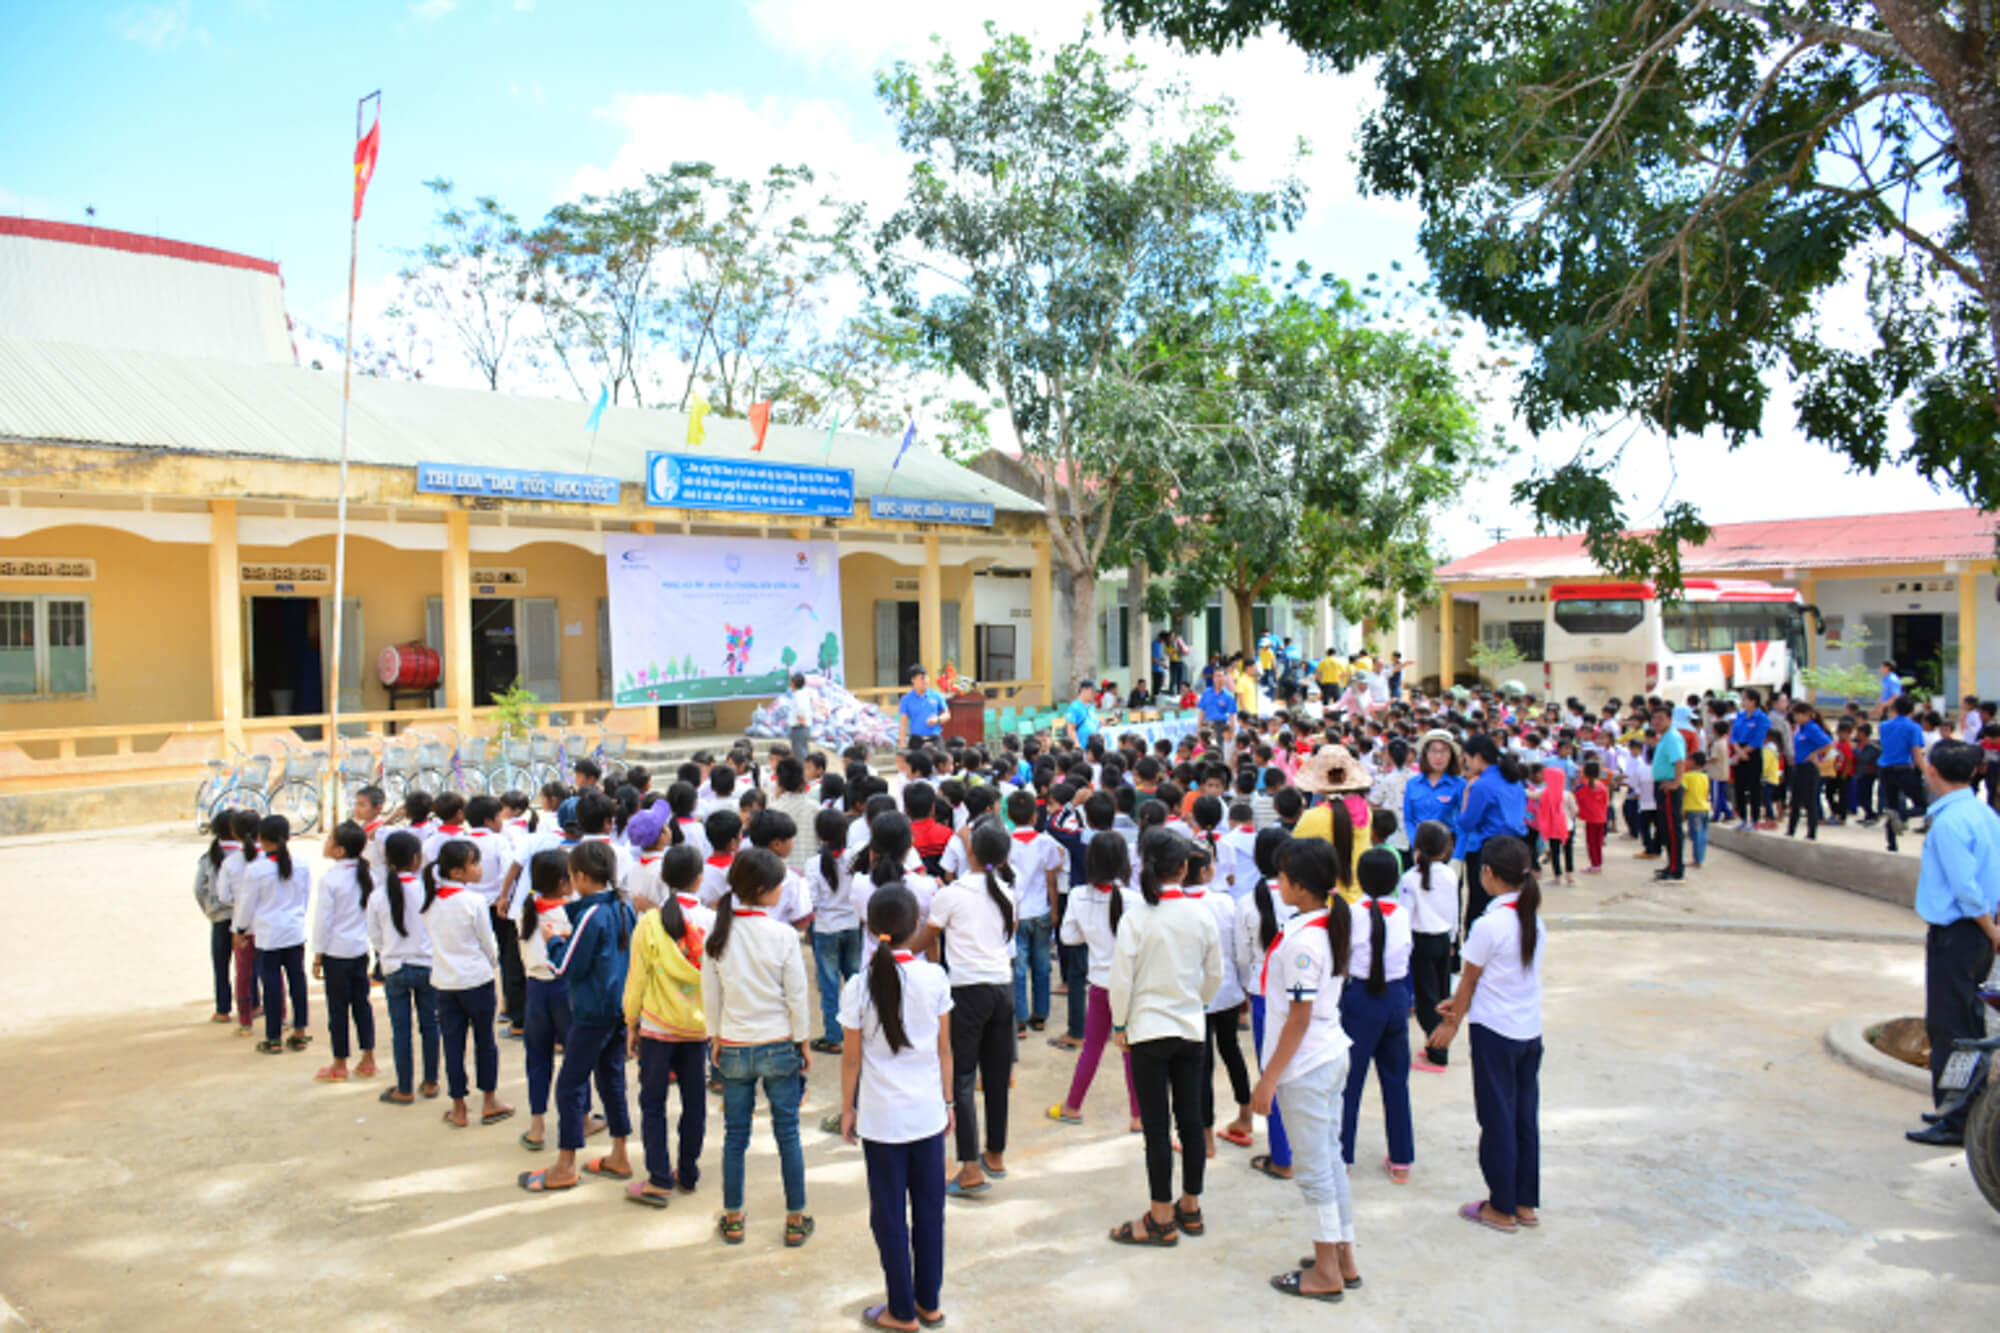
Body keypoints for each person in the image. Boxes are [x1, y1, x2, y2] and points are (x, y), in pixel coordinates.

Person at [842, 884, 953, 1332]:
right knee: (930, 1209)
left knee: (888, 1214)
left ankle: (900, 1310)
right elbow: (945, 1049)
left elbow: (851, 1058)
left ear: (870, 928)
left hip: (882, 1119)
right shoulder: (934, 977)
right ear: (915, 928)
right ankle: (929, 1303)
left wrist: (846, 1108)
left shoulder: (858, 986)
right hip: (927, 1114)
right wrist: (948, 1103)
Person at [1251, 838, 1358, 1300]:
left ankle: (1328, 1272)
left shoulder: (1304, 941)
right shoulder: (1321, 923)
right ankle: (1342, 1257)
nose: (1277, 884)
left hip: (1306, 1067)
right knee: (1330, 1161)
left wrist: (1269, 1077)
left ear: (1299, 885)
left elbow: (1298, 1018)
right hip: (1328, 1055)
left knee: (1315, 1169)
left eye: (1283, 876)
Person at [1107, 830, 1223, 1248]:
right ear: (1184, 867)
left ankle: (1160, 1215)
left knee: (1157, 1128)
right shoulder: (1200, 915)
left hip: (1148, 1031)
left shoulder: (1136, 917)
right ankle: (1190, 1206)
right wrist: (1197, 1004)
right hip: (1190, 1027)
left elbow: (1121, 980)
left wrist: (1120, 1026)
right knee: (1191, 1122)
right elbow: (1215, 974)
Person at [1430, 835, 1545, 1234]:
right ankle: (1524, 1201)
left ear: (1489, 874)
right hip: (1528, 1031)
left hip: (1496, 1032)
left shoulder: (1489, 924)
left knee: (1497, 1118)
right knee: (1523, 1117)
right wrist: (1457, 1005)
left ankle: (1501, 1206)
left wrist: (1450, 1022)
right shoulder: (1533, 920)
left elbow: (1471, 980)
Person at [704, 848, 814, 1246]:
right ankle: (795, 1218)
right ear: (764, 890)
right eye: (780, 884)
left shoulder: (718, 934)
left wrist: (715, 1038)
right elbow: (796, 996)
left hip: (733, 1045)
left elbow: (710, 996)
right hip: (778, 1044)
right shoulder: (783, 935)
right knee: (788, 1134)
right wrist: (803, 1042)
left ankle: (734, 1217)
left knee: (735, 1136)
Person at [520, 840, 636, 1192]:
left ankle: (566, 1164)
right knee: (611, 1079)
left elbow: (565, 967)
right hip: (618, 1006)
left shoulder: (591, 914)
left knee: (569, 1085)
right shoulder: (622, 906)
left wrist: (554, 941)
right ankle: (619, 1153)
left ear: (582, 877)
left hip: (592, 1011)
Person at [1902, 740, 2000, 1147]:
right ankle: (1958, 1106)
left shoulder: (1950, 822)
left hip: (1961, 932)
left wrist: (1993, 934)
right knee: (1967, 1023)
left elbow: (1966, 889)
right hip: (1976, 931)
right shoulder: (1984, 814)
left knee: (1950, 1028)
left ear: (1932, 771)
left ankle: (1956, 1118)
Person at [918, 820, 1018, 1197]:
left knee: (961, 1076)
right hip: (1002, 988)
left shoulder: (952, 894)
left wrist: (891, 946)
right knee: (995, 1076)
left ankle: (971, 1168)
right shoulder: (1008, 892)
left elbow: (927, 938)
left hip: (967, 991)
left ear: (970, 852)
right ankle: (994, 1154)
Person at [623, 861, 708, 1207]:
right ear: (699, 879)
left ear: (663, 879)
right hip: (698, 1026)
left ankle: (659, 1177)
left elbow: (638, 977)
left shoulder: (648, 923)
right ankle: (688, 1173)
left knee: (653, 1103)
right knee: (695, 1102)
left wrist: (631, 1022)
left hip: (657, 1026)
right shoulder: (712, 921)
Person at [1049, 834, 1143, 1131]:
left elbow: (1068, 938)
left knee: (1092, 1047)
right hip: (1131, 984)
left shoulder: (1078, 895)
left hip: (1101, 984)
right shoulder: (1134, 899)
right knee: (1130, 1049)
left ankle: (1072, 1105)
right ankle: (1138, 1116)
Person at [424, 839, 513, 1130]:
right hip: (476, 979)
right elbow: (489, 943)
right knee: (485, 1042)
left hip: (445, 981)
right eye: (473, 863)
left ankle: (459, 1106)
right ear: (458, 872)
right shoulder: (473, 902)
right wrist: (493, 963)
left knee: (452, 1044)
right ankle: (489, 1100)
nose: (479, 868)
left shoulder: (431, 900)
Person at [1340, 847, 1415, 1181]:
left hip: (1360, 998)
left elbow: (1340, 958)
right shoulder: (1402, 913)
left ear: (1359, 878)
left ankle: (1343, 1157)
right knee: (1396, 1080)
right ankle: (1401, 1160)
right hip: (1395, 996)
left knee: (1349, 1081)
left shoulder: (1351, 914)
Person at [367, 831, 439, 1105]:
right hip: (426, 965)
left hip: (395, 966)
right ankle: (431, 1082)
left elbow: (374, 935)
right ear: (415, 859)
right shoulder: (426, 890)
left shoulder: (379, 895)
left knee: (401, 1030)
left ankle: (404, 1087)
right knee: (430, 1026)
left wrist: (385, 954)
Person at [235, 814, 313, 1056]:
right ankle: (299, 1032)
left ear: (260, 838)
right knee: (297, 981)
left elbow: (247, 903)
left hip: (268, 934)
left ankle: (274, 1038)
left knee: (271, 985)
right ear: (288, 837)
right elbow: (305, 896)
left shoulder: (256, 869)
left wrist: (240, 929)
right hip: (294, 930)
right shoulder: (301, 864)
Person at [311, 821, 378, 1083]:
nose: (326, 844)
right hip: (360, 949)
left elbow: (323, 922)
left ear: (339, 850)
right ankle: (368, 1058)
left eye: (330, 840)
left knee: (338, 1009)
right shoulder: (366, 874)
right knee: (361, 1004)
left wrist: (317, 956)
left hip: (336, 952)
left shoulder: (330, 879)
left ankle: (340, 1063)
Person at [1403, 821, 1460, 1072]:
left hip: (1421, 941)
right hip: (1443, 939)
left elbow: (1405, 915)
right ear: (1445, 849)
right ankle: (1435, 1043)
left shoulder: (1409, 878)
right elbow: (1455, 909)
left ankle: (1438, 1052)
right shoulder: (1449, 874)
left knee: (1426, 1000)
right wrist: (1454, 939)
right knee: (1442, 993)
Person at [808, 808, 863, 1053]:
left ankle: (833, 1036)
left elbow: (811, 900)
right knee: (855, 980)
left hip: (826, 928)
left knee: (829, 985)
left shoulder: (814, 863)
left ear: (819, 834)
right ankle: (859, 1029)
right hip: (852, 924)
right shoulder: (854, 856)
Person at [1458, 735, 1527, 926]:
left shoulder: (1481, 785)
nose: (1467, 764)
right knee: (1510, 902)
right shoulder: (1515, 781)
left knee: (1479, 906)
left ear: (1478, 757)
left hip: (1489, 849)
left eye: (1468, 759)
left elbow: (1466, 823)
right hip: (1516, 847)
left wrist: (1465, 796)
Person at [1878, 694, 1930, 838]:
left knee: (1891, 806)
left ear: (1894, 708)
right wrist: (1927, 773)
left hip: (1885, 769)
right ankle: (1902, 815)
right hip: (1903, 769)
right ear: (1912, 710)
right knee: (1923, 806)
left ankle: (1891, 843)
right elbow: (1917, 754)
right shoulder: (1913, 728)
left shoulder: (1884, 726)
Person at [1649, 706, 1687, 882]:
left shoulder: (1672, 737)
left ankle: (1676, 868)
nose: (1656, 721)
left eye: (1661, 718)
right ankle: (1671, 864)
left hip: (1669, 787)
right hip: (1662, 786)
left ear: (1670, 719)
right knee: (1665, 828)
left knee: (1672, 828)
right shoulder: (1664, 737)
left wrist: (1676, 782)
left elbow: (1679, 760)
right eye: (1654, 718)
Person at [1787, 703, 1833, 840]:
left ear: (1807, 714)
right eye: (1795, 714)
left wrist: (1815, 754)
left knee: (1809, 800)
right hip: (1798, 766)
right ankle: (1791, 830)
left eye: (1799, 714)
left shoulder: (1812, 728)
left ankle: (1811, 832)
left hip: (1809, 767)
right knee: (1794, 800)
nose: (1797, 717)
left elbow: (1828, 743)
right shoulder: (1799, 729)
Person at [1729, 690, 1772, 830]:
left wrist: (1743, 752)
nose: (1742, 702)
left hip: (1752, 753)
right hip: (1739, 751)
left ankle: (1755, 820)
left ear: (1753, 701)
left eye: (1745, 699)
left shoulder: (1761, 718)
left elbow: (1758, 739)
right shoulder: (1740, 716)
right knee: (1739, 787)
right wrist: (1738, 753)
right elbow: (1733, 736)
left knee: (1754, 787)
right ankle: (1742, 818)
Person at [1574, 760, 1612, 874]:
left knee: (1591, 844)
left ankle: (1595, 865)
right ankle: (1598, 864)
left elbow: (1573, 798)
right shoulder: (1602, 787)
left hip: (1591, 819)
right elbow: (1607, 802)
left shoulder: (1583, 788)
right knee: (1598, 843)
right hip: (1602, 818)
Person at [898, 666, 948, 746]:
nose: (925, 681)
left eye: (926, 678)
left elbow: (947, 714)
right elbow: (903, 723)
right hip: (916, 740)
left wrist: (938, 720)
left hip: (935, 739)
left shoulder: (936, 695)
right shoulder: (906, 699)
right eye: (922, 678)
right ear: (913, 680)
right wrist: (902, 742)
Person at [786, 672, 817, 763]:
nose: (789, 682)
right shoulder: (800, 693)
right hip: (800, 727)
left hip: (799, 727)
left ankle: (804, 774)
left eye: (791, 680)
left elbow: (801, 708)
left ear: (794, 682)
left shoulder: (799, 694)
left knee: (800, 754)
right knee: (802, 751)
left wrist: (800, 719)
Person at [1064, 678, 1101, 749]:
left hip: (1093, 748)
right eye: (1092, 691)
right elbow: (1071, 729)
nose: (1095, 694)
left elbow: (1094, 724)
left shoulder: (1092, 707)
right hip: (1081, 747)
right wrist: (1077, 745)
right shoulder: (1074, 707)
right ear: (1084, 690)